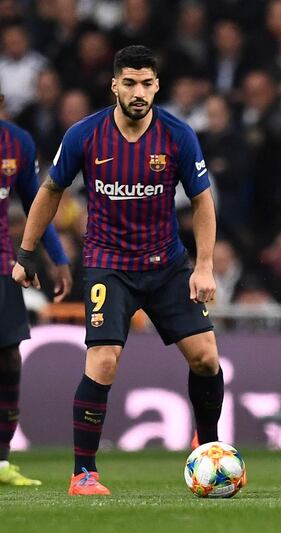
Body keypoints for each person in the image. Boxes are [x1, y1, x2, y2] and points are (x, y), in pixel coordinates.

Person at [12, 46, 223, 496]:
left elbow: (203, 201)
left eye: (147, 83)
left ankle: (208, 446)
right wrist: (28, 253)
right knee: (104, 362)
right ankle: (83, 473)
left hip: (167, 265)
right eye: (129, 82)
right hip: (109, 266)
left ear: (157, 86)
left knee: (206, 359)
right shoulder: (85, 135)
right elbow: (50, 191)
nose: (139, 92)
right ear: (114, 85)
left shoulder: (178, 135)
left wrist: (203, 266)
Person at [0, 89, 72, 486]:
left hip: (1, 263)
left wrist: (56, 257)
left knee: (9, 357)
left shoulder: (17, 143)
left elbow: (35, 201)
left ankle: (1, 462)